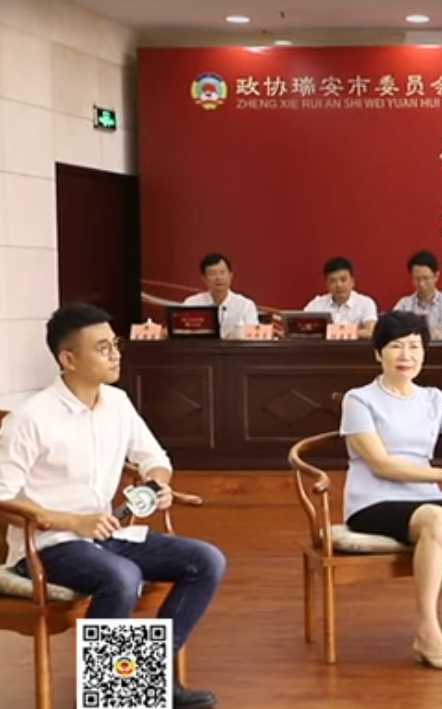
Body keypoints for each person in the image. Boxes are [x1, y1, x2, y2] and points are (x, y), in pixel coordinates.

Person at [0, 303, 225, 709]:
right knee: (122, 576)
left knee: (206, 560)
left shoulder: (118, 403)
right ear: (68, 359)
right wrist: (73, 522)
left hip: (108, 534)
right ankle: (112, 695)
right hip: (48, 546)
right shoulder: (30, 419)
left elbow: (155, 459)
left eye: (115, 344)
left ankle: (147, 677)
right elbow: (3, 496)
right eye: (102, 348)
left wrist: (157, 484)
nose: (115, 355)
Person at [340, 311, 442, 670]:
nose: (406, 355)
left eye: (414, 346)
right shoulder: (359, 399)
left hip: (422, 498)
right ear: (378, 353)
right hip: (373, 501)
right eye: (396, 346)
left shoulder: (431, 399)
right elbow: (381, 464)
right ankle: (427, 630)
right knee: (437, 519)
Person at [182, 252, 259, 339]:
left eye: (222, 272)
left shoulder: (246, 305)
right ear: (204, 279)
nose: (218, 278)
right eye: (212, 274)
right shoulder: (191, 304)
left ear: (230, 275)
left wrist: (238, 335)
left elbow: (255, 336)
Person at [303, 256, 380, 337]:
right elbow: (300, 329)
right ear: (327, 285)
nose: (339, 285)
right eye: (333, 281)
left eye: (343, 280)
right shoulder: (317, 304)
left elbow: (371, 332)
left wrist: (334, 332)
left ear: (352, 282)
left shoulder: (365, 303)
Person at [392, 250, 442, 336]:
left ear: (436, 276)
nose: (421, 283)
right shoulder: (404, 305)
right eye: (417, 279)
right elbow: (392, 330)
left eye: (426, 278)